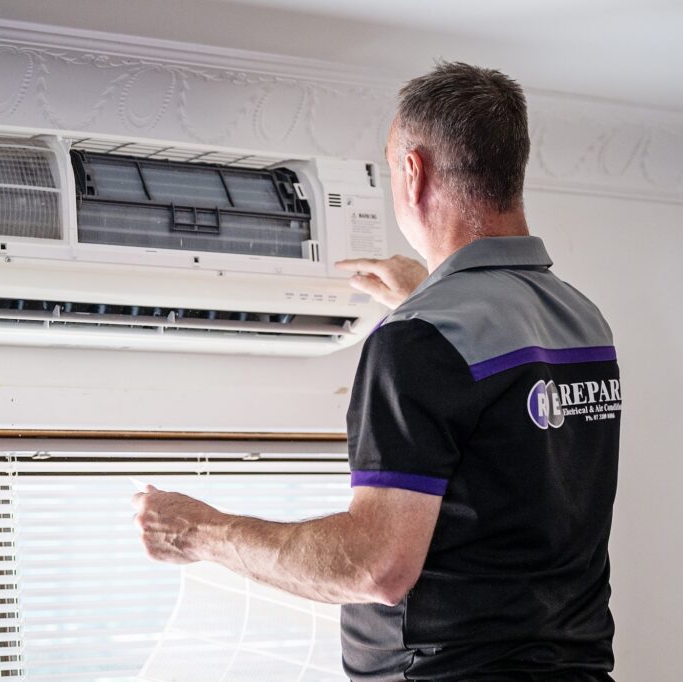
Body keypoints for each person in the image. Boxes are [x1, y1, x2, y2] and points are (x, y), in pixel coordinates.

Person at [131, 61, 620, 681]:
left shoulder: (421, 342)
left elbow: (376, 567)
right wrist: (429, 302)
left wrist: (202, 532)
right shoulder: (580, 319)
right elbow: (506, 449)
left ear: (413, 172)